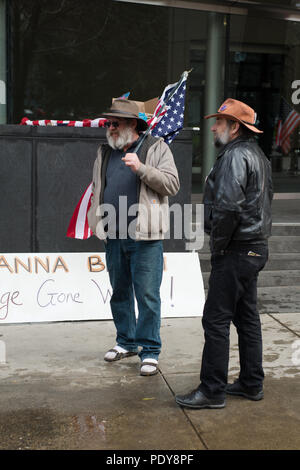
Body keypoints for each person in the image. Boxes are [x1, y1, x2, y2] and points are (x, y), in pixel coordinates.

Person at [175, 98, 273, 408]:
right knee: (246, 318)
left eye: (219, 122)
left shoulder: (234, 156)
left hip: (237, 249)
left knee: (216, 320)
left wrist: (219, 245)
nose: (214, 127)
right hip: (253, 248)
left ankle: (212, 390)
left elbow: (229, 207)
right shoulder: (258, 156)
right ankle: (250, 383)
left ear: (235, 127)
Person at [87, 98, 180, 376]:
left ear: (132, 125)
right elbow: (97, 188)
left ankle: (149, 350)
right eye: (108, 123)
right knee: (120, 292)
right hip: (113, 235)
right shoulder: (105, 152)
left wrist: (141, 168)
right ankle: (125, 342)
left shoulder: (155, 148)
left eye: (116, 123)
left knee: (148, 295)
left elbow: (172, 185)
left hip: (145, 237)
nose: (110, 128)